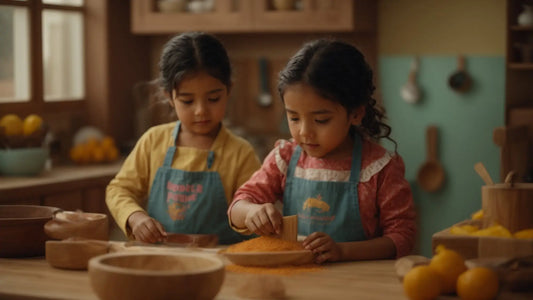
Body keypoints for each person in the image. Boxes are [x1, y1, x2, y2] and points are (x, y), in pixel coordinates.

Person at [228, 38, 416, 263]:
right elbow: (239, 205)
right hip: (297, 279)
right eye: (294, 118)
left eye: (321, 120)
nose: (305, 132)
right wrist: (250, 212)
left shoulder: (379, 168)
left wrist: (343, 251)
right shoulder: (285, 158)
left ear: (356, 113)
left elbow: (402, 237)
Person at [106, 32, 261, 245]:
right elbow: (119, 189)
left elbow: (253, 209)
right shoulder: (153, 142)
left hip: (220, 264)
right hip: (160, 260)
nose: (201, 111)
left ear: (229, 90)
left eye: (213, 99)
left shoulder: (240, 153)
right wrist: (136, 217)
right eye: (187, 101)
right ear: (169, 96)